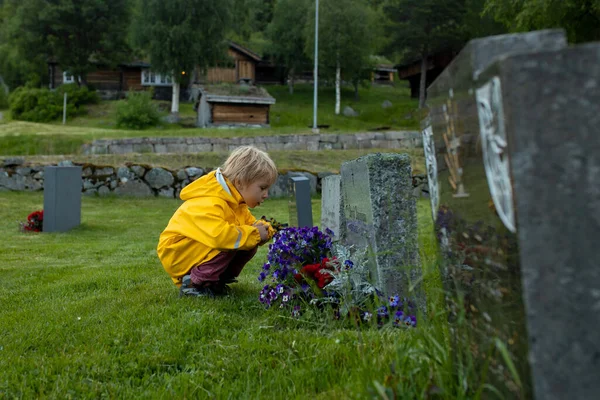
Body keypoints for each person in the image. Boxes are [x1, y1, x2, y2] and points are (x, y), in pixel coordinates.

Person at [157, 146, 278, 297]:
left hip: (194, 249)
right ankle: (195, 284)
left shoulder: (236, 202)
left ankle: (214, 281)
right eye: (262, 188)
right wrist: (255, 234)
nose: (266, 194)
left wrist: (266, 229)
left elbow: (251, 226)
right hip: (178, 253)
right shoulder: (211, 202)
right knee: (232, 241)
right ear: (240, 183)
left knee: (246, 240)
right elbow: (220, 237)